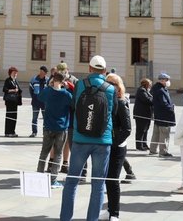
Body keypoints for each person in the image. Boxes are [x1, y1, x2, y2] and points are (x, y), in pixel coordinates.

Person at [60, 54, 115, 221]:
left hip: (80, 138)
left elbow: (74, 106)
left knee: (71, 182)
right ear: (104, 71)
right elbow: (112, 112)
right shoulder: (110, 89)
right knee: (98, 186)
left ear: (89, 69)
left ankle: (65, 218)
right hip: (102, 141)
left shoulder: (80, 85)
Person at [103, 73, 133, 221]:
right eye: (108, 82)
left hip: (118, 146)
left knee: (113, 180)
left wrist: (113, 143)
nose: (110, 85)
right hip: (106, 145)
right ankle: (109, 210)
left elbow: (127, 129)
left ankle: (115, 214)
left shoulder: (121, 102)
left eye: (113, 83)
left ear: (119, 86)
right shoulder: (105, 100)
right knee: (107, 180)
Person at [37, 71, 72, 186]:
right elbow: (74, 104)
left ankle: (39, 175)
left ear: (53, 80)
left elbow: (40, 97)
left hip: (48, 126)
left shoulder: (48, 91)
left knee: (44, 152)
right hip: (61, 128)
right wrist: (67, 87)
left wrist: (49, 85)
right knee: (58, 154)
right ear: (63, 81)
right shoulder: (66, 94)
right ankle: (53, 180)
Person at [149, 72, 175, 157]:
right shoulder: (161, 90)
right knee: (164, 134)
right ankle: (163, 151)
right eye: (167, 80)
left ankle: (152, 149)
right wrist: (171, 108)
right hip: (164, 116)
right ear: (162, 80)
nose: (168, 81)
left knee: (156, 133)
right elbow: (164, 103)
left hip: (158, 115)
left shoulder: (157, 88)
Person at [132, 77, 153, 152]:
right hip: (141, 114)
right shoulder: (141, 90)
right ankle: (139, 145)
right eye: (150, 84)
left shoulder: (146, 90)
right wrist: (155, 99)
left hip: (146, 114)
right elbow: (147, 100)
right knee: (141, 130)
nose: (151, 86)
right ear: (146, 84)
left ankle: (144, 144)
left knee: (145, 129)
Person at [29, 65, 48, 138]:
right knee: (34, 118)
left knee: (45, 118)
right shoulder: (34, 79)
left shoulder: (48, 80)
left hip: (45, 103)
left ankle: (45, 133)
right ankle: (34, 132)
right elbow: (31, 90)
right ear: (41, 71)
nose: (45, 74)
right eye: (44, 72)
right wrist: (34, 97)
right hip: (35, 102)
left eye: (46, 72)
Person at [3, 66, 22, 137]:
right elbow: (5, 89)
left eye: (16, 73)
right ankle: (8, 132)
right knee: (9, 116)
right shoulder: (8, 80)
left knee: (14, 117)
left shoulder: (15, 81)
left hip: (15, 101)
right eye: (14, 73)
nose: (15, 74)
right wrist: (13, 90)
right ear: (10, 73)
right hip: (9, 101)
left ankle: (12, 131)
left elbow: (19, 89)